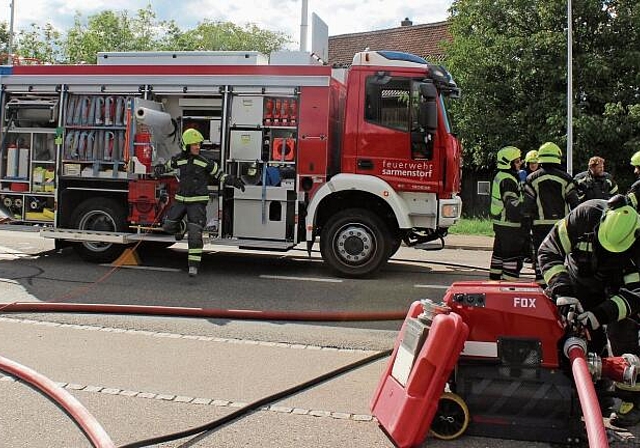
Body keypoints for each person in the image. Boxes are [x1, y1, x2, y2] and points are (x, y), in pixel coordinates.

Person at [538, 195, 640, 426]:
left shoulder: (637, 244)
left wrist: (599, 315)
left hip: (618, 290)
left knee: (624, 335)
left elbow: (635, 294)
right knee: (579, 336)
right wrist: (563, 292)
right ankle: (590, 392)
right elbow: (549, 251)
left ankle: (631, 399)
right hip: (578, 283)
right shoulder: (585, 215)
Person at [154, 128, 245, 277]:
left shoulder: (204, 162)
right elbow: (167, 166)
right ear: (186, 146)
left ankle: (193, 266)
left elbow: (219, 174)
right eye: (194, 144)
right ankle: (181, 227)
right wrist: (159, 169)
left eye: (199, 144)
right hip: (181, 200)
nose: (198, 147)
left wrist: (233, 181)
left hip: (197, 202)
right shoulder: (179, 159)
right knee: (168, 226)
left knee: (195, 235)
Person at [523, 142, 580, 285]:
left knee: (541, 254)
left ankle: (542, 283)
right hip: (560, 226)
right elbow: (575, 204)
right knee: (559, 255)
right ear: (557, 157)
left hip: (539, 225)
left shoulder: (531, 179)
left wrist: (525, 222)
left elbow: (527, 205)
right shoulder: (566, 178)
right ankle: (558, 283)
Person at [489, 146, 526, 280]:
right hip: (510, 225)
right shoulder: (508, 180)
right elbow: (512, 205)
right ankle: (508, 286)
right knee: (512, 259)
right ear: (508, 163)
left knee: (498, 256)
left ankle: (494, 282)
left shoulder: (501, 176)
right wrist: (527, 208)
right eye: (517, 161)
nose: (520, 163)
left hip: (500, 223)